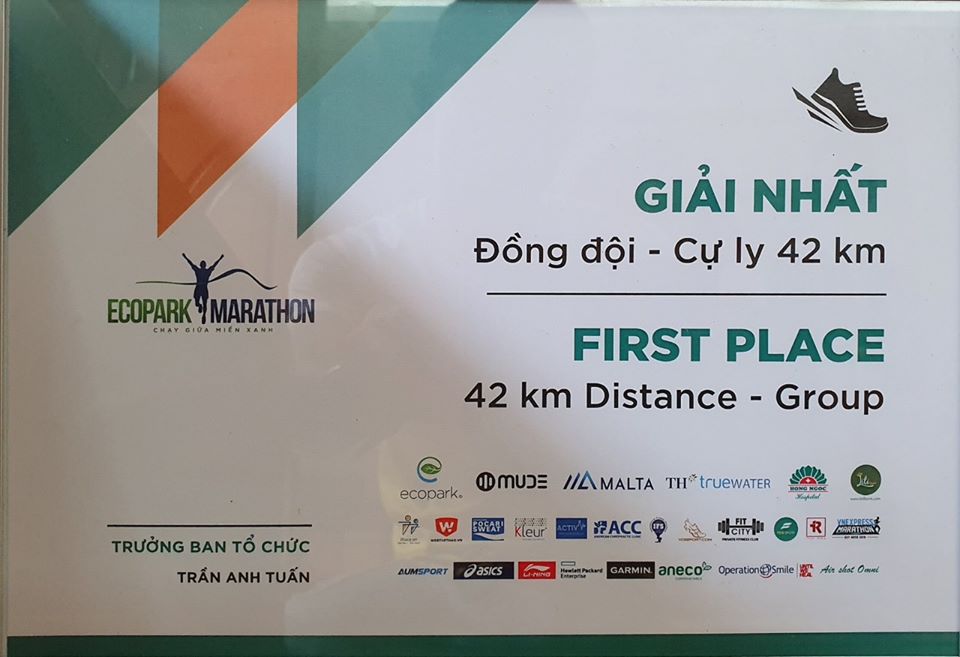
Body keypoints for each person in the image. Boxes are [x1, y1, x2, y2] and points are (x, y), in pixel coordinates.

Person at [182, 253, 224, 323]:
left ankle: (204, 315)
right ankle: (199, 306)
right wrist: (185, 257)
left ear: (204, 265)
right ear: (201, 265)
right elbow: (191, 264)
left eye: (203, 264)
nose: (203, 265)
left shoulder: (207, 271)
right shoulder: (198, 270)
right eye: (202, 264)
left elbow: (214, 265)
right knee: (196, 303)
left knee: (205, 304)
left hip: (204, 289)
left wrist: (220, 258)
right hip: (198, 289)